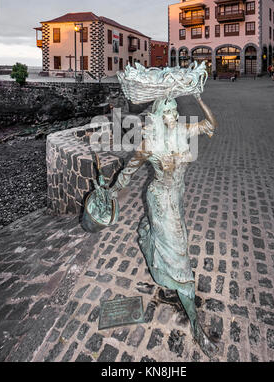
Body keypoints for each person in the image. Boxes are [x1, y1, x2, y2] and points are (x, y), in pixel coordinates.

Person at [110, 95, 218, 359]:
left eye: (174, 110)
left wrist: (199, 99)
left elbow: (210, 125)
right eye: (167, 112)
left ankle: (148, 236)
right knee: (180, 253)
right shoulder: (150, 143)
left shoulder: (182, 129)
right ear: (159, 116)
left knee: (172, 236)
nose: (173, 116)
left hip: (177, 195)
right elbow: (129, 170)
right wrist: (112, 191)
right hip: (160, 198)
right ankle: (195, 324)